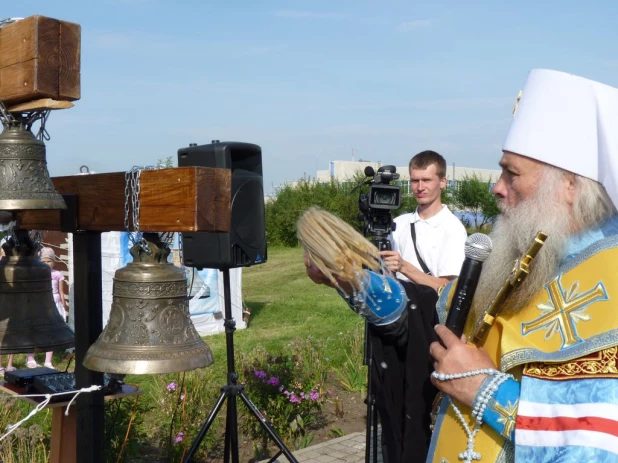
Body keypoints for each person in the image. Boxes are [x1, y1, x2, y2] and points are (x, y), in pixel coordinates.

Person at [428, 69, 618, 462]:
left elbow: (600, 444)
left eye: (512, 173)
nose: (497, 186)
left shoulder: (610, 275)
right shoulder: (532, 255)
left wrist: (484, 390)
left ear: (570, 185)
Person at [297, 207, 439, 463]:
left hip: (412, 314)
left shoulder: (339, 272)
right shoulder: (341, 272)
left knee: (410, 415)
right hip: (400, 314)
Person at [380, 150, 467, 291]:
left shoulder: (453, 229)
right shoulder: (399, 223)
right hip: (400, 308)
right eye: (415, 181)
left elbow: (447, 289)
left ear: (443, 182)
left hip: (430, 311)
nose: (420, 188)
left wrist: (404, 267)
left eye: (426, 180)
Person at [39, 247, 69, 369]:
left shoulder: (57, 275)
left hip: (55, 303)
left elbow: (61, 292)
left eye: (49, 261)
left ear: (54, 262)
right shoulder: (37, 275)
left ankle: (48, 360)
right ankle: (30, 357)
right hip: (41, 304)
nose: (47, 264)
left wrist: (63, 305)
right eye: (44, 262)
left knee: (51, 331)